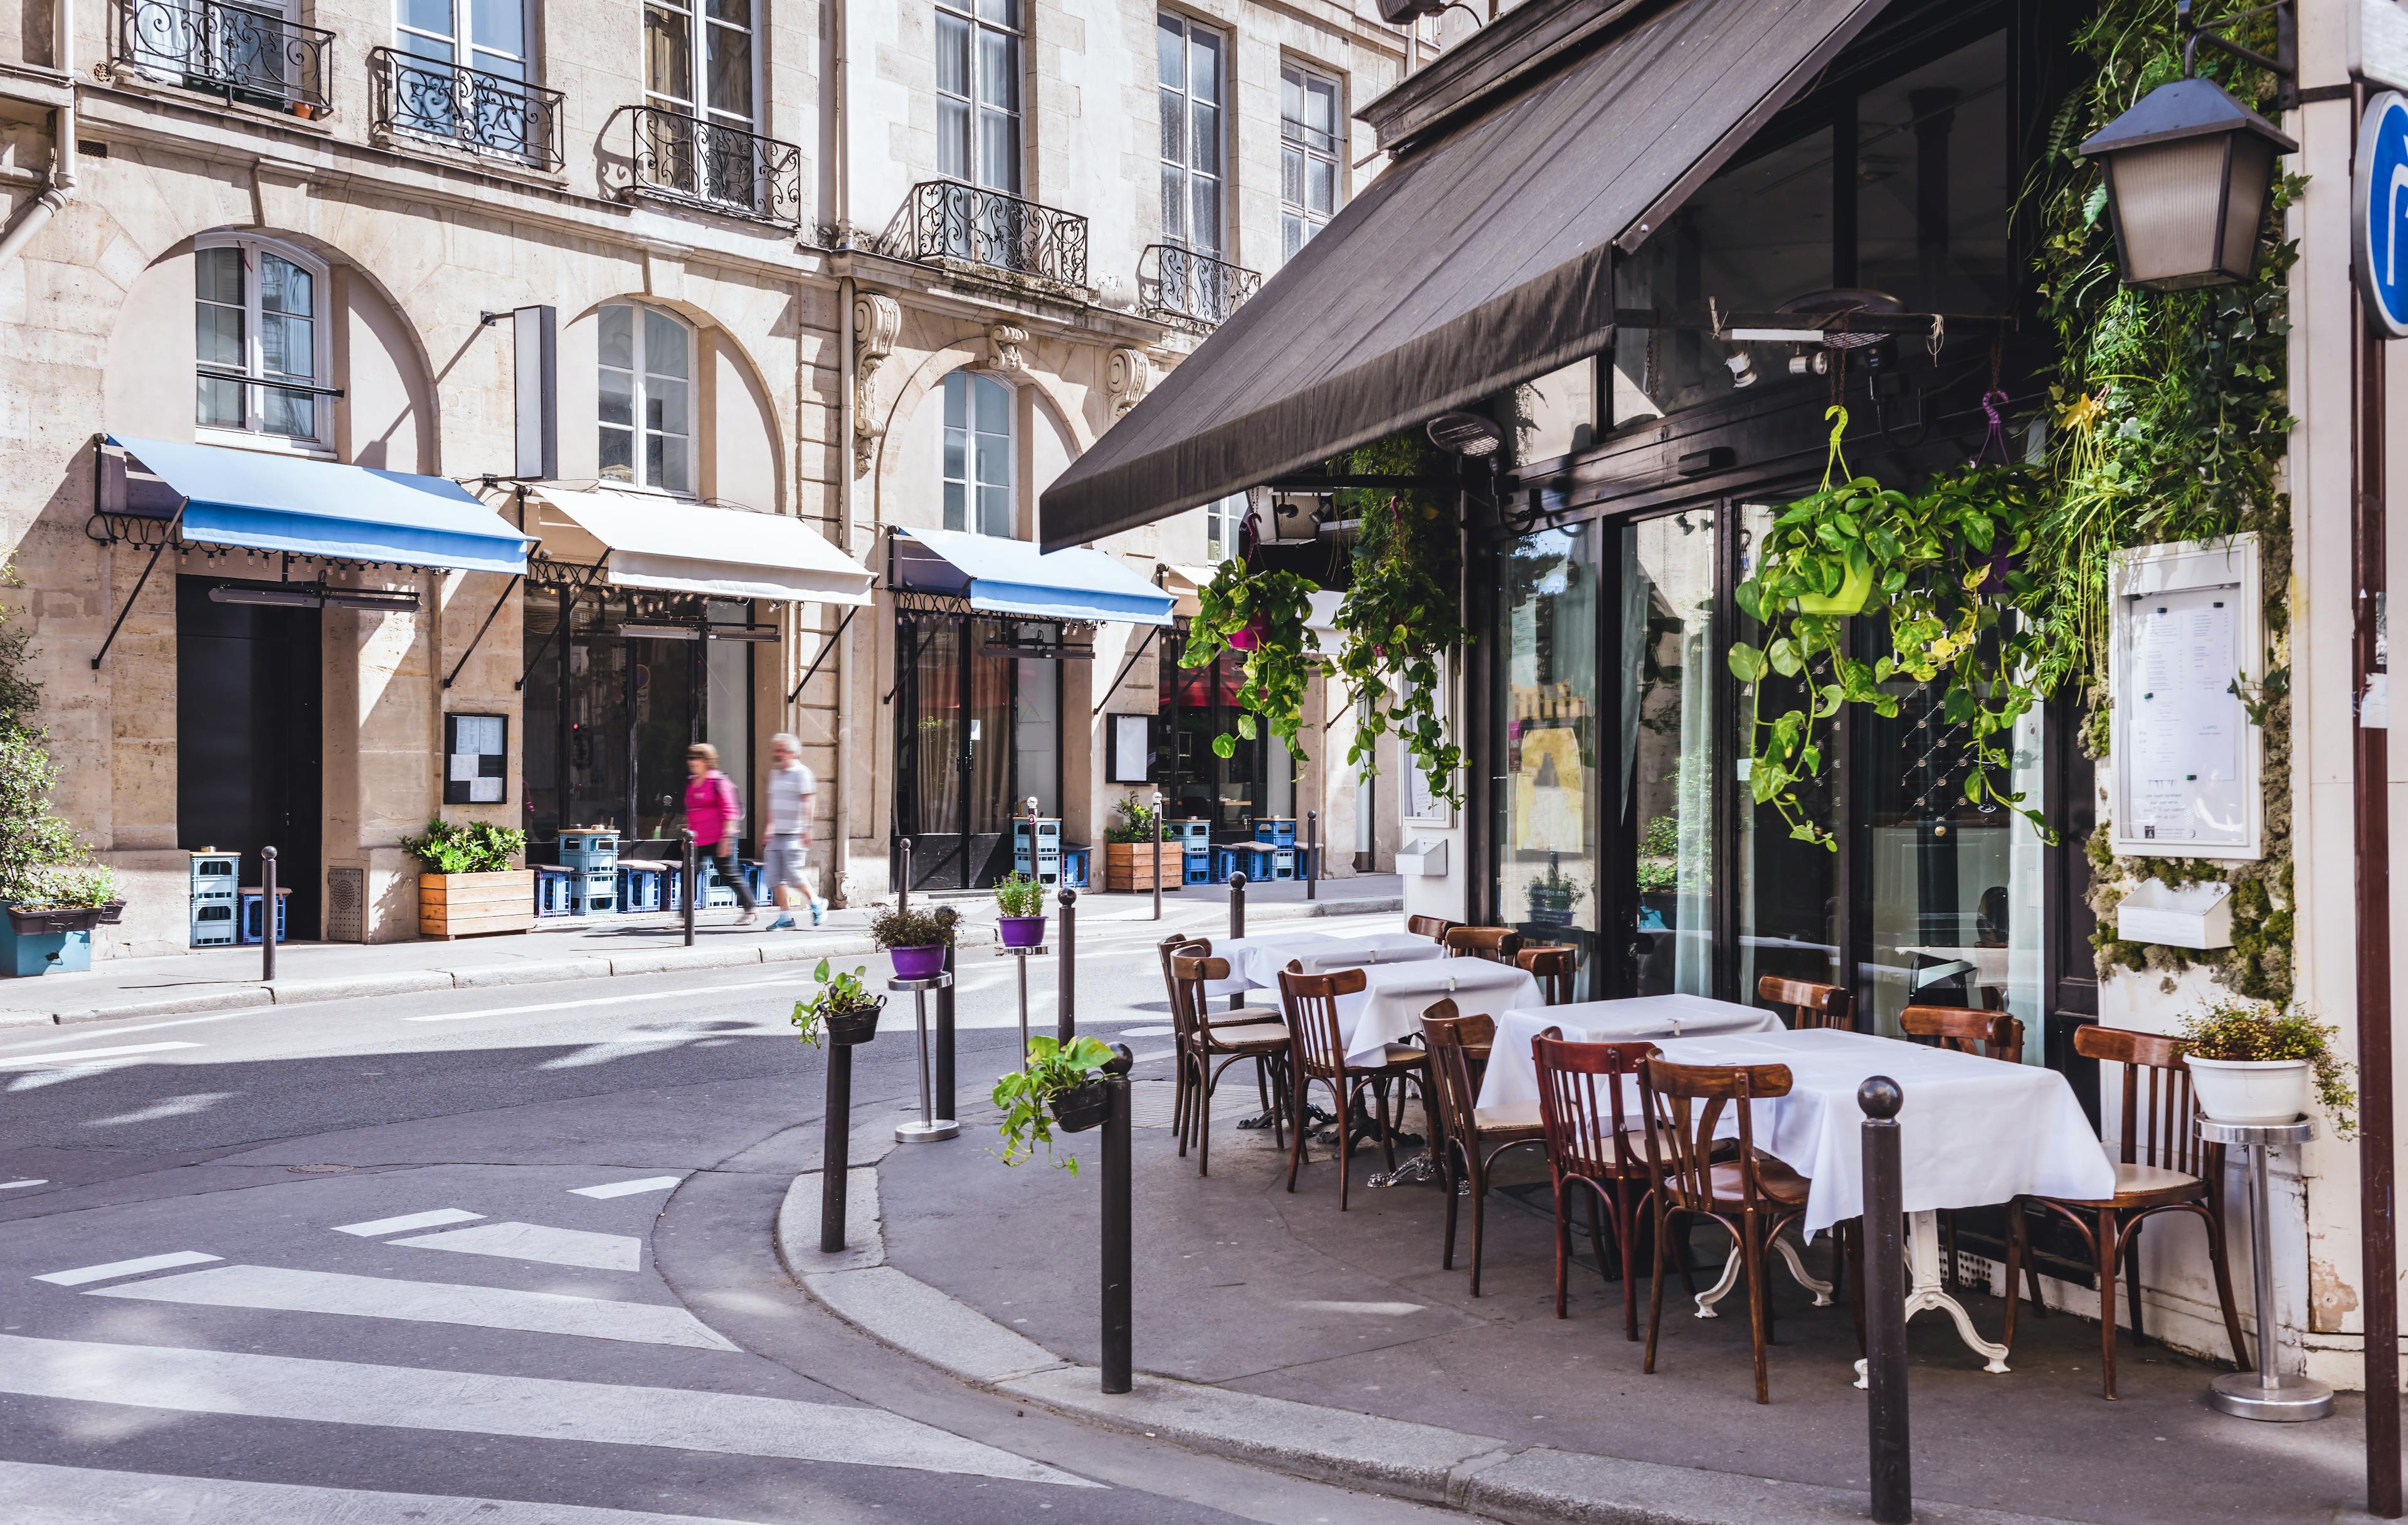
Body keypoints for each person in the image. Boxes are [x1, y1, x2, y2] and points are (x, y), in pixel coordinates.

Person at [682, 742, 756, 926]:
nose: (691, 762)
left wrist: (726, 839)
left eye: (696, 758)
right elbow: (692, 811)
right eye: (690, 758)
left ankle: (751, 909)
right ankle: (684, 917)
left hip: (719, 837)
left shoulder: (719, 782)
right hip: (698, 839)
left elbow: (730, 811)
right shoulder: (692, 782)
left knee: (729, 874)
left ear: (707, 761)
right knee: (689, 875)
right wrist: (687, 837)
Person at [761, 732, 822, 929]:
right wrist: (769, 828)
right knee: (775, 877)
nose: (778, 754)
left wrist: (807, 828)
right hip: (777, 834)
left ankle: (816, 902)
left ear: (792, 752)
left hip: (795, 833)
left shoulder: (802, 773)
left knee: (794, 875)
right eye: (777, 750)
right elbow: (773, 803)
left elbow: (808, 801)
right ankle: (786, 917)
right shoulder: (775, 773)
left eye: (782, 750)